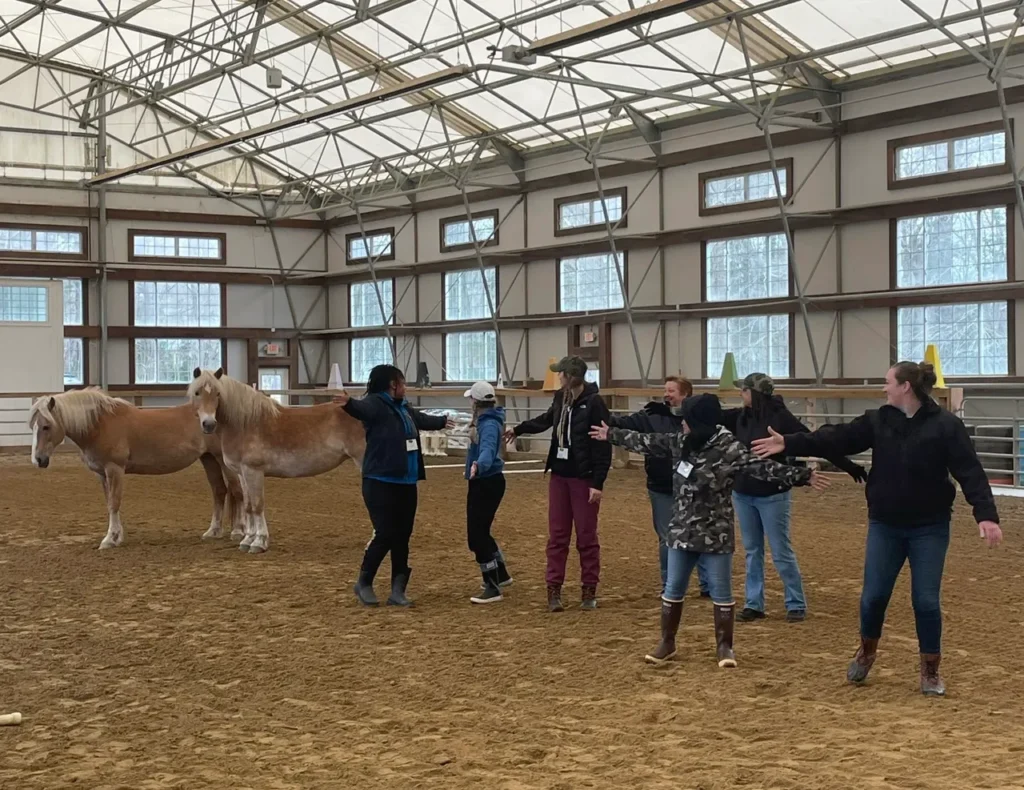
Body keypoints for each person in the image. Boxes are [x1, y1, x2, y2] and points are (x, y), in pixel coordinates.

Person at [752, 361, 1002, 696]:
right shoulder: (878, 420)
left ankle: (930, 669)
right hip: (885, 524)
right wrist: (791, 443)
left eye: (887, 382)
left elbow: (969, 471)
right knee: (872, 598)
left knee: (926, 601)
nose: (883, 388)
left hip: (930, 527)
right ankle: (867, 651)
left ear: (905, 387)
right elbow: (835, 438)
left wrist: (986, 515)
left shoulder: (946, 426)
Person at [590, 394, 828, 668]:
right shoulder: (681, 443)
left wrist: (803, 476)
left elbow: (764, 468)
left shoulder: (729, 448)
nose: (682, 423)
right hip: (681, 532)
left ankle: (725, 648)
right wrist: (611, 434)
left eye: (687, 419)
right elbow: (647, 441)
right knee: (673, 589)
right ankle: (667, 643)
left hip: (716, 535)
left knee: (721, 592)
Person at [722, 373, 868, 623]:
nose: (740, 394)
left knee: (780, 550)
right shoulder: (740, 417)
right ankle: (753, 603)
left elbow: (815, 443)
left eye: (743, 390)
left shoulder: (781, 418)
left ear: (753, 393)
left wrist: (848, 466)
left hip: (773, 495)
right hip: (743, 493)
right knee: (752, 550)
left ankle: (795, 602)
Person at [333, 364, 452, 608]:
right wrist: (349, 403)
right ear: (391, 385)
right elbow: (361, 408)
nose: (405, 387)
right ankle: (364, 581)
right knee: (385, 533)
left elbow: (420, 420)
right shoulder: (376, 404)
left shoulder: (404, 408)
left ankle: (398, 590)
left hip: (407, 482)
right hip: (380, 482)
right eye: (402, 383)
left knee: (403, 536)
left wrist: (441, 422)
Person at [505, 356, 612, 612]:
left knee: (586, 536)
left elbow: (602, 445)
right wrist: (519, 430)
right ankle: (554, 588)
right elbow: (546, 420)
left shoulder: (594, 403)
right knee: (557, 536)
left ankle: (589, 589)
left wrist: (597, 483)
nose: (558, 376)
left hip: (583, 478)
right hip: (559, 475)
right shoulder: (560, 398)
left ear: (570, 375)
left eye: (561, 373)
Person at [607, 376, 711, 598]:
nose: (667, 394)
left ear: (685, 394)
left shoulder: (699, 418)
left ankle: (707, 584)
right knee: (666, 538)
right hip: (661, 485)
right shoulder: (652, 415)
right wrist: (599, 416)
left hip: (693, 486)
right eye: (666, 390)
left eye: (671, 391)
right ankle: (670, 584)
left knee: (699, 533)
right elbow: (625, 423)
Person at [463, 381, 513, 604]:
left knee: (477, 535)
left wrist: (479, 465)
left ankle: (492, 584)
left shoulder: (488, 424)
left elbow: (488, 449)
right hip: (484, 480)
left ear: (475, 401)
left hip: (486, 480)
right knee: (480, 532)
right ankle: (500, 574)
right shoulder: (486, 421)